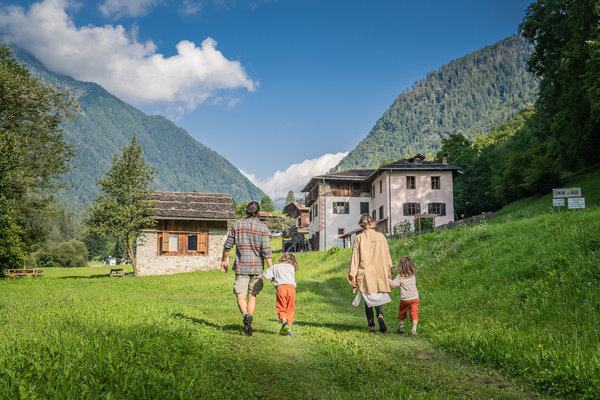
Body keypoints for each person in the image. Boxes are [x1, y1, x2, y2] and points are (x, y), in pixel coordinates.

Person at [221, 201, 273, 336]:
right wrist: (272, 270)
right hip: (257, 268)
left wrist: (224, 261)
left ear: (246, 211)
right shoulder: (263, 228)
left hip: (241, 267)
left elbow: (227, 246)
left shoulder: (236, 225)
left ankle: (245, 316)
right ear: (258, 213)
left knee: (240, 295)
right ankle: (249, 320)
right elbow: (266, 252)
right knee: (252, 295)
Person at [348, 214, 394, 333]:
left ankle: (372, 327)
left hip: (366, 272)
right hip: (379, 271)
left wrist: (352, 273)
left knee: (368, 300)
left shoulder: (359, 237)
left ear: (361, 223)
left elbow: (355, 257)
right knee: (377, 297)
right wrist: (388, 269)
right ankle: (380, 315)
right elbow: (386, 254)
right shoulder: (381, 237)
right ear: (372, 223)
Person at [262, 252, 298, 336]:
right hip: (291, 289)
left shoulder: (276, 266)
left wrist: (273, 276)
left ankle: (284, 322)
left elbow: (265, 275)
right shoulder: (291, 267)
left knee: (281, 307)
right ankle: (288, 330)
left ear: (282, 258)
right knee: (290, 308)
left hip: (281, 288)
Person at [389, 256, 420, 335]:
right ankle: (414, 330)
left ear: (400, 267)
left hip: (405, 299)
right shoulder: (413, 275)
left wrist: (388, 278)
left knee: (402, 312)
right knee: (414, 314)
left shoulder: (400, 277)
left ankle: (402, 327)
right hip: (415, 298)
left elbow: (393, 284)